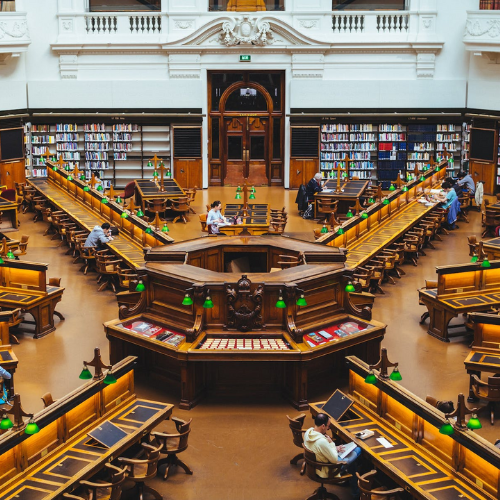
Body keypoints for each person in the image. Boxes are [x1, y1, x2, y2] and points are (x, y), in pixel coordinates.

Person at [304, 413, 362, 498]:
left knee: (352, 463)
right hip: (327, 470)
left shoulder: (308, 433)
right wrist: (331, 443)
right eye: (328, 426)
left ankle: (354, 492)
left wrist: (335, 448)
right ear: (323, 426)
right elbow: (335, 460)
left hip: (313, 467)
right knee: (358, 450)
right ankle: (356, 494)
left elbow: (320, 449)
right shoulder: (321, 442)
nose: (328, 428)